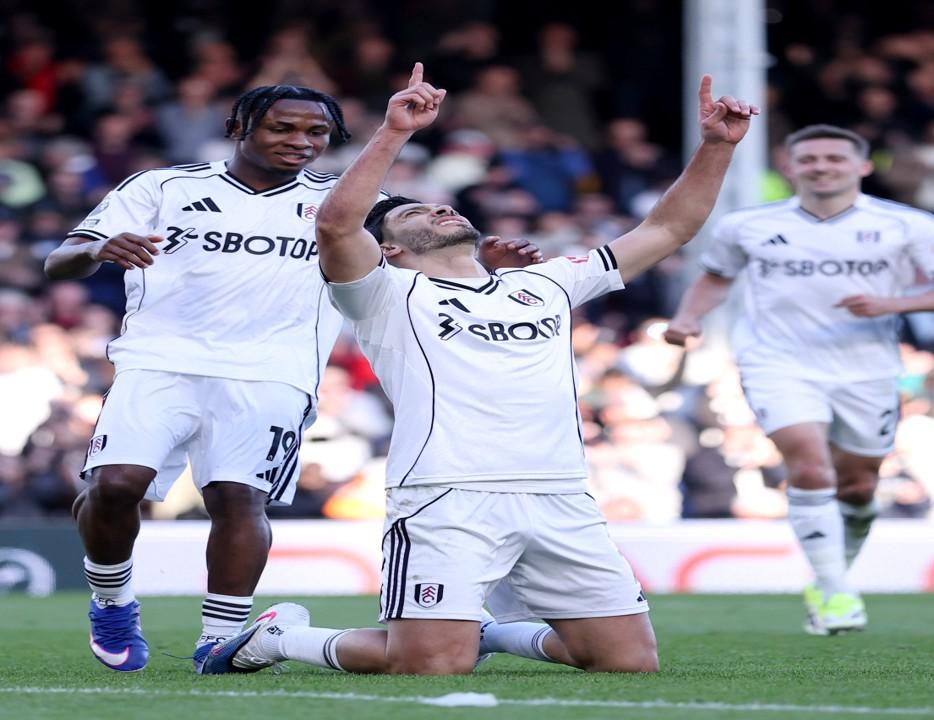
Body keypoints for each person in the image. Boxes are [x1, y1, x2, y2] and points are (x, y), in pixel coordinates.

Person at [201, 63, 757, 676]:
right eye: (414, 214)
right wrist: (394, 132)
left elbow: (669, 227)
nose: (436, 209)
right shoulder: (383, 295)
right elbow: (335, 223)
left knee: (626, 663)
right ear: (388, 248)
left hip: (561, 494)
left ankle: (488, 633)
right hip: (446, 495)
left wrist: (715, 149)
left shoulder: (547, 283)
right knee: (431, 667)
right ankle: (279, 638)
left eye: (440, 206)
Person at [44, 84, 540, 674]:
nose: (300, 142)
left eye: (316, 133)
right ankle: (112, 601)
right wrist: (99, 245)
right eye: (283, 128)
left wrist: (483, 261)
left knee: (237, 499)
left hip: (275, 372)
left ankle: (219, 638)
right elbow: (60, 259)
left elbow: (422, 241)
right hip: (158, 360)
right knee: (115, 485)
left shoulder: (347, 200)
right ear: (239, 127)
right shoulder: (163, 187)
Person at [664, 124, 934, 635]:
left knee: (857, 486)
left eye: (834, 158)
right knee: (809, 467)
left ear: (863, 166)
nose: (821, 166)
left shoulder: (907, 225)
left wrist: (893, 303)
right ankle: (834, 592)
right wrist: (688, 317)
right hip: (778, 361)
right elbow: (716, 277)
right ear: (789, 167)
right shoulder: (748, 225)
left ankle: (831, 576)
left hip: (867, 368)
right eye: (808, 159)